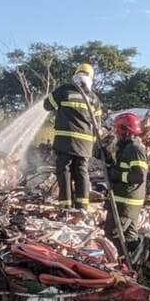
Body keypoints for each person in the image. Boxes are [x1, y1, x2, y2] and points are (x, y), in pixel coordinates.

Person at [45, 63, 103, 210]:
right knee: (81, 171)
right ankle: (82, 206)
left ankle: (66, 205)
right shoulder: (94, 99)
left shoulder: (65, 90)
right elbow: (98, 124)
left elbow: (47, 105)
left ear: (76, 74)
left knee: (64, 169)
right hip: (85, 144)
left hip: (66, 140)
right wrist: (93, 144)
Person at [105, 112, 150, 243]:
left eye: (117, 130)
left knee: (113, 238)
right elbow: (121, 167)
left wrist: (117, 175)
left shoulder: (134, 149)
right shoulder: (126, 148)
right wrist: (108, 158)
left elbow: (138, 176)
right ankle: (132, 263)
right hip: (127, 203)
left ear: (126, 132)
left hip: (125, 203)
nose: (115, 133)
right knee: (129, 240)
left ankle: (118, 263)